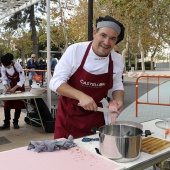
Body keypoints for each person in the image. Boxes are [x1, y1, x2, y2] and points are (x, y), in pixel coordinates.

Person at [49, 15, 125, 139]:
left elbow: (117, 85)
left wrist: (118, 101)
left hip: (96, 117)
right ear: (94, 33)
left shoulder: (116, 59)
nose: (106, 43)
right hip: (70, 116)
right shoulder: (75, 51)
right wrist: (81, 96)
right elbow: (55, 82)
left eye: (112, 39)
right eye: (103, 35)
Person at [0, 53, 26, 129]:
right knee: (7, 105)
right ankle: (6, 123)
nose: (7, 67)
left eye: (8, 66)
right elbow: (4, 78)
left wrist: (15, 87)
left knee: (18, 105)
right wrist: (6, 86)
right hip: (10, 85)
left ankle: (15, 122)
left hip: (18, 86)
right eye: (6, 66)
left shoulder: (17, 66)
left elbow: (22, 79)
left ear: (11, 62)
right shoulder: (3, 67)